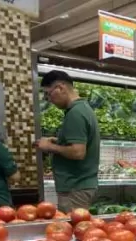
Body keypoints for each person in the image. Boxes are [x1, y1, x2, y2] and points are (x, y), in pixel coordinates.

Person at [36, 70, 100, 213]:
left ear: (60, 87)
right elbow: (83, 142)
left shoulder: (75, 113)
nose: (49, 99)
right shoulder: (83, 109)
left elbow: (78, 152)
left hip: (75, 187)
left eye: (48, 93)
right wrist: (59, 141)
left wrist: (50, 146)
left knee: (74, 230)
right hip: (79, 186)